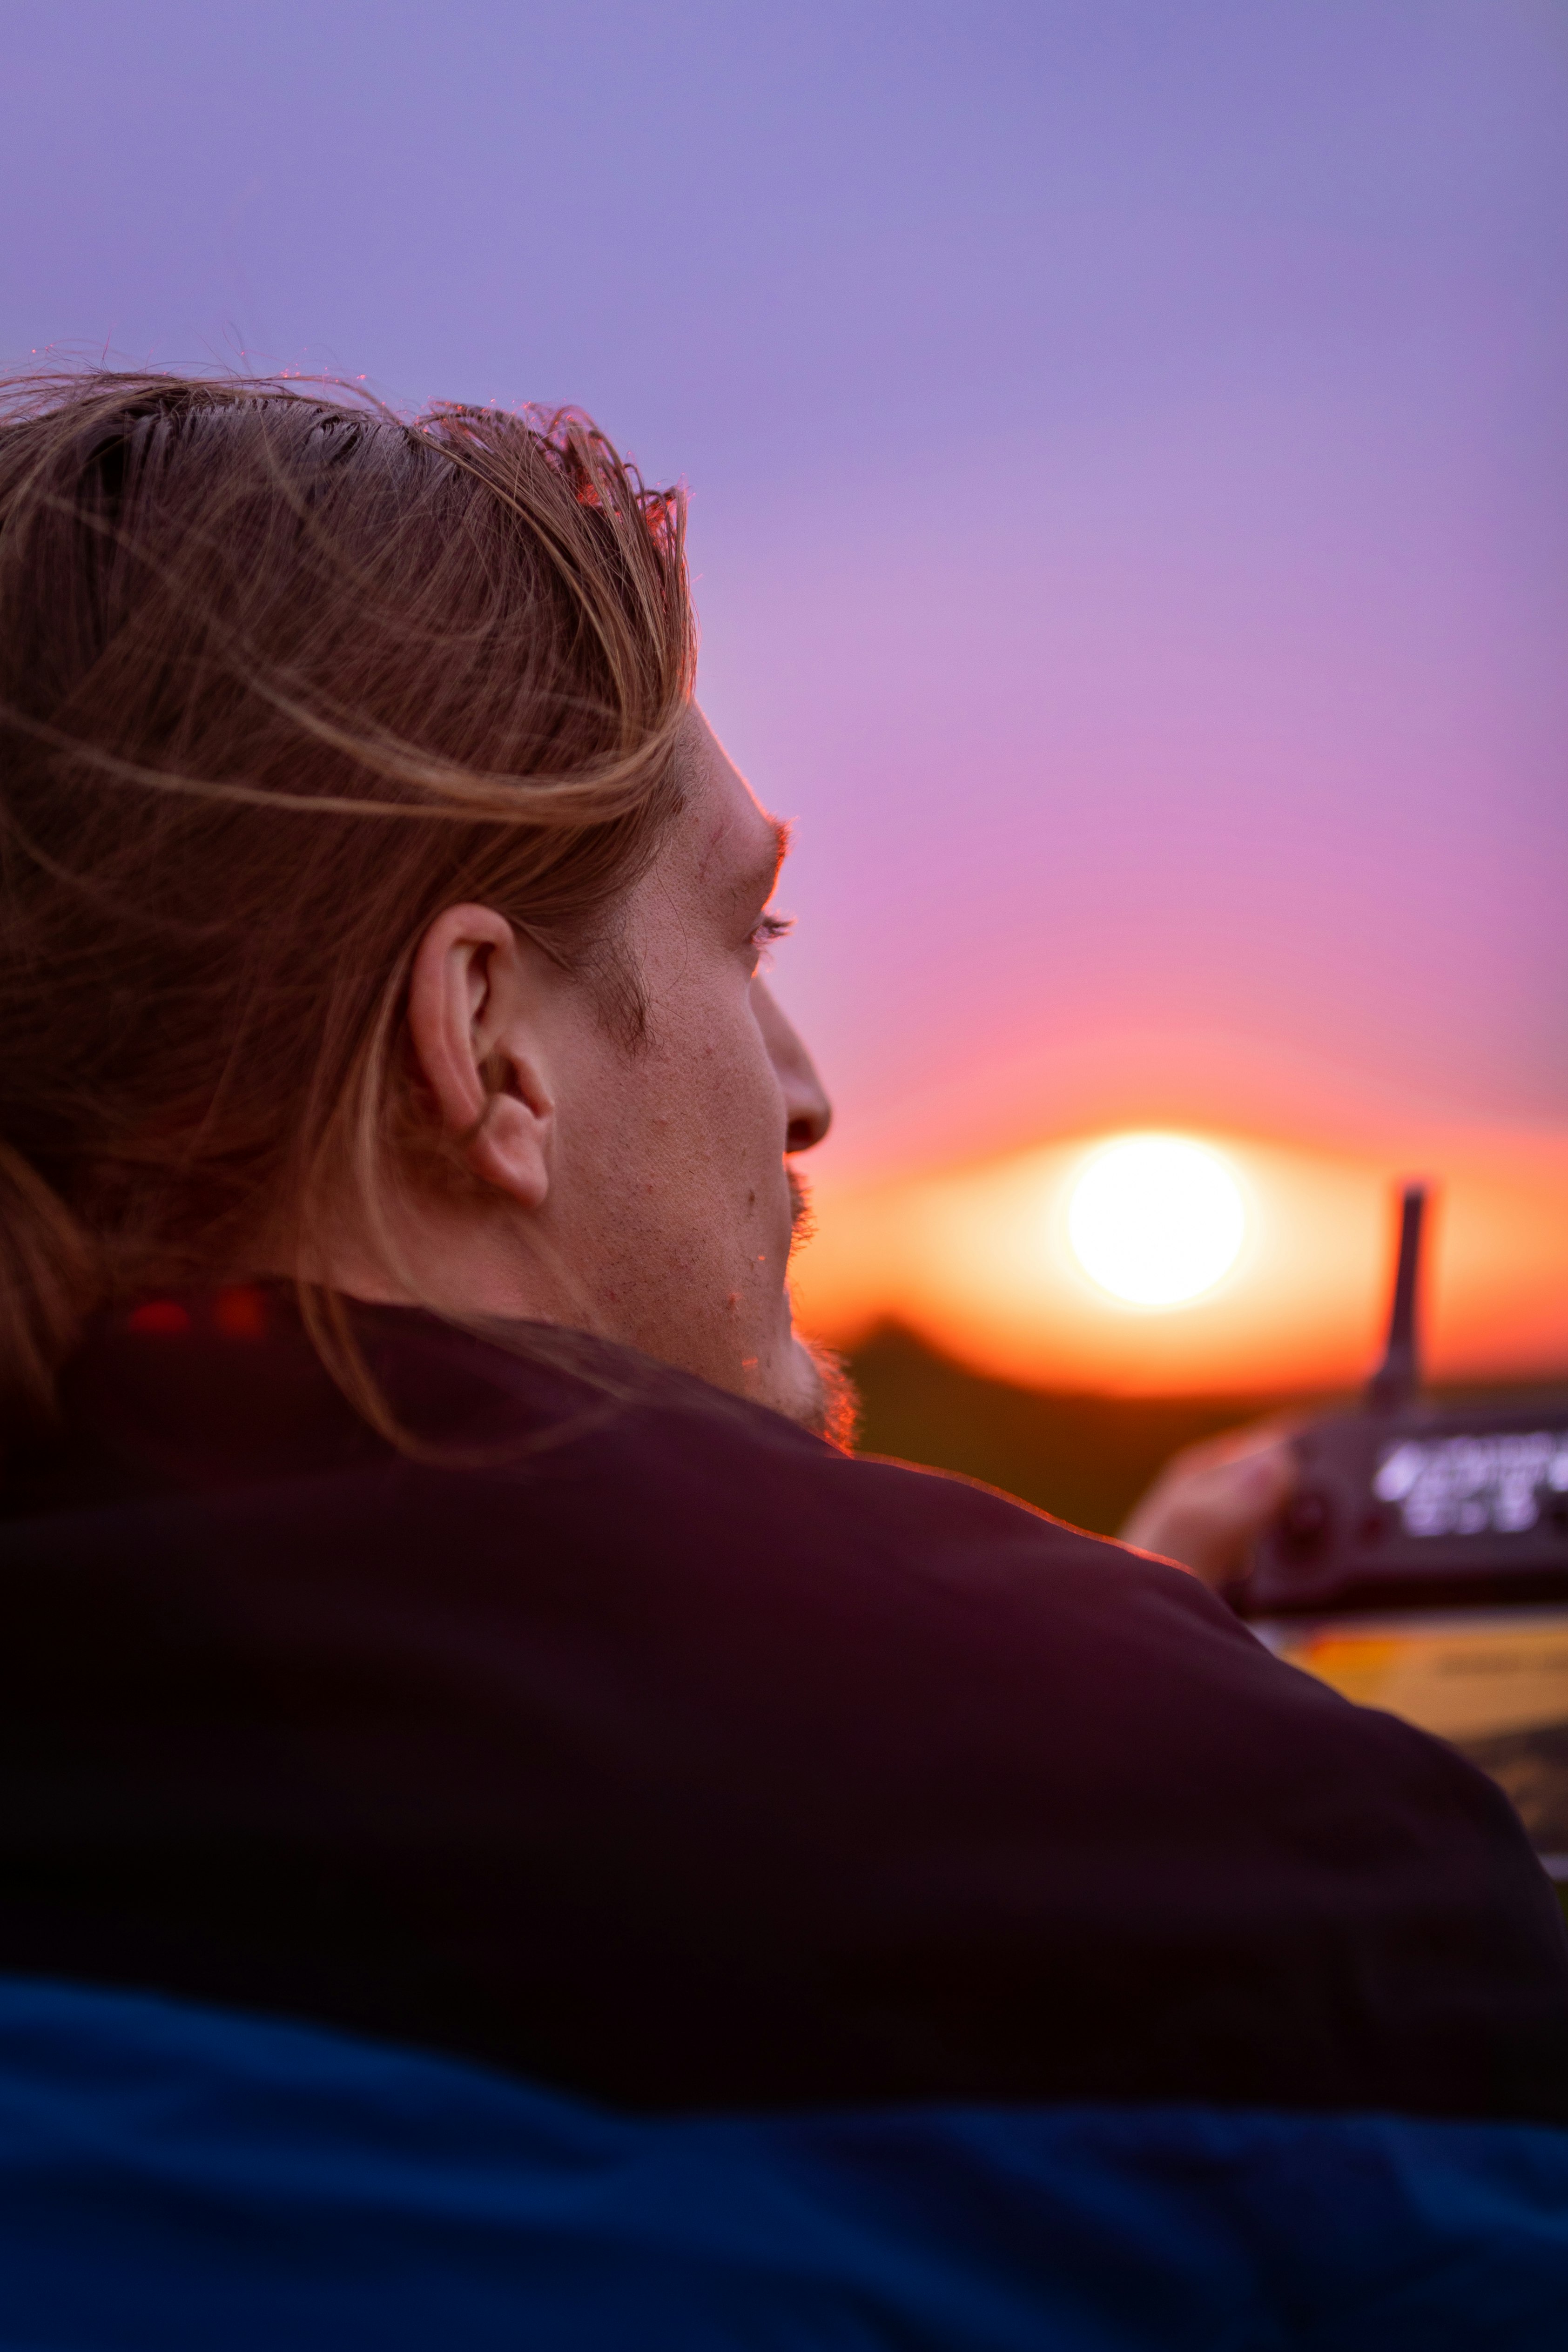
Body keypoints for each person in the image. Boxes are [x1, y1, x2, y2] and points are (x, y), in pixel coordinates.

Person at [0, 369, 1565, 2130]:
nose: (807, 1094)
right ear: (490, 1046)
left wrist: (1064, 1691)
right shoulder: (1283, 1902)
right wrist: (1179, 1763)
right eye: (749, 936)